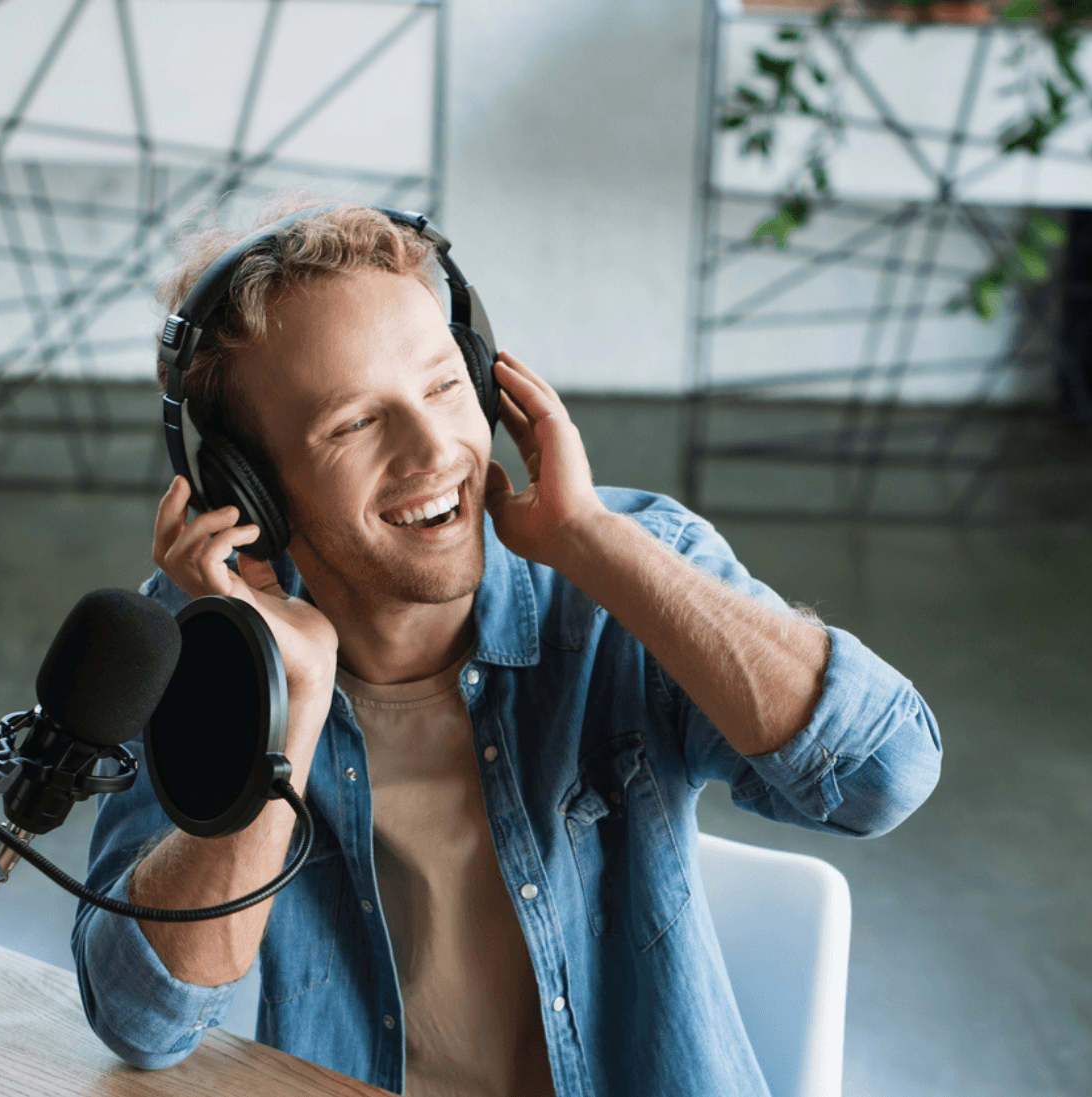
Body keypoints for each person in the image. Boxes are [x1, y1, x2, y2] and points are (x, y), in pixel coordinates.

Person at [72, 200, 942, 1097]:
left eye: (446, 386)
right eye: (353, 424)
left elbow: (885, 778)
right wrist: (279, 708)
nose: (432, 450)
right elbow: (142, 1024)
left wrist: (592, 542)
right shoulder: (205, 639)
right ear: (245, 488)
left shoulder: (624, 570)